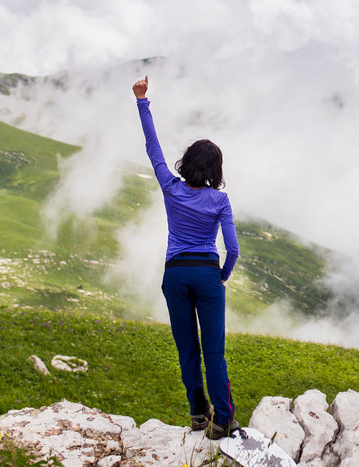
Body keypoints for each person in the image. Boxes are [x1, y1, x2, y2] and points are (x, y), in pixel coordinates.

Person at [132, 76, 240, 440]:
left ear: (187, 162)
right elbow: (234, 249)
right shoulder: (220, 201)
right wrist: (221, 275)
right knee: (214, 351)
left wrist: (142, 100)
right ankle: (223, 420)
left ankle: (197, 414)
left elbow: (153, 147)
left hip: (175, 276)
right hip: (208, 274)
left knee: (187, 349)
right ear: (215, 170)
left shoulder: (170, 186)